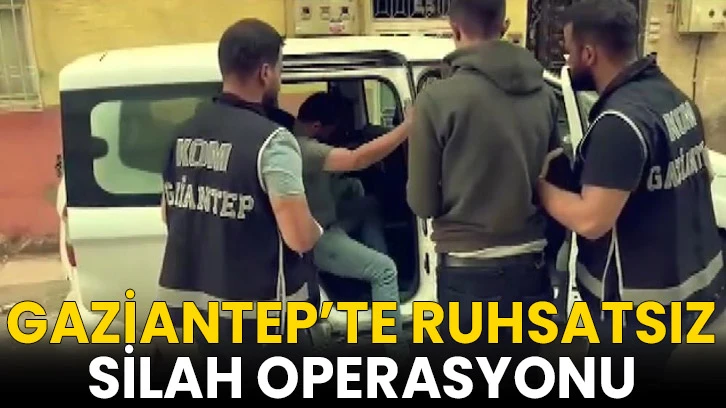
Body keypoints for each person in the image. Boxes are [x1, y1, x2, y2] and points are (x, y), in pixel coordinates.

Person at [537, 0, 726, 380]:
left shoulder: (619, 123)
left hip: (635, 314)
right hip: (686, 300)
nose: (567, 61)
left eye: (569, 51)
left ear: (589, 53)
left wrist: (535, 185)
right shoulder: (673, 97)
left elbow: (591, 220)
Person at [406, 0, 562, 353]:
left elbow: (422, 203)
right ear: (504, 27)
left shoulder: (436, 99)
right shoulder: (544, 94)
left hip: (467, 274)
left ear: (454, 28)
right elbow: (553, 178)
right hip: (530, 271)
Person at [158, 19, 323, 351]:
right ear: (265, 72)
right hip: (259, 326)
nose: (279, 78)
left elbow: (168, 214)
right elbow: (299, 237)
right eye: (279, 69)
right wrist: (317, 228)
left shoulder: (181, 134)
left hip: (191, 317)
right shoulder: (273, 142)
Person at [294, 91, 412, 355]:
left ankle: (379, 287)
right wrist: (407, 126)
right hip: (319, 237)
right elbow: (356, 159)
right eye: (332, 131)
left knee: (368, 205)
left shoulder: (294, 139)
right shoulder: (305, 148)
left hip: (325, 219)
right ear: (316, 127)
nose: (334, 137)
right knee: (385, 270)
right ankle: (396, 352)